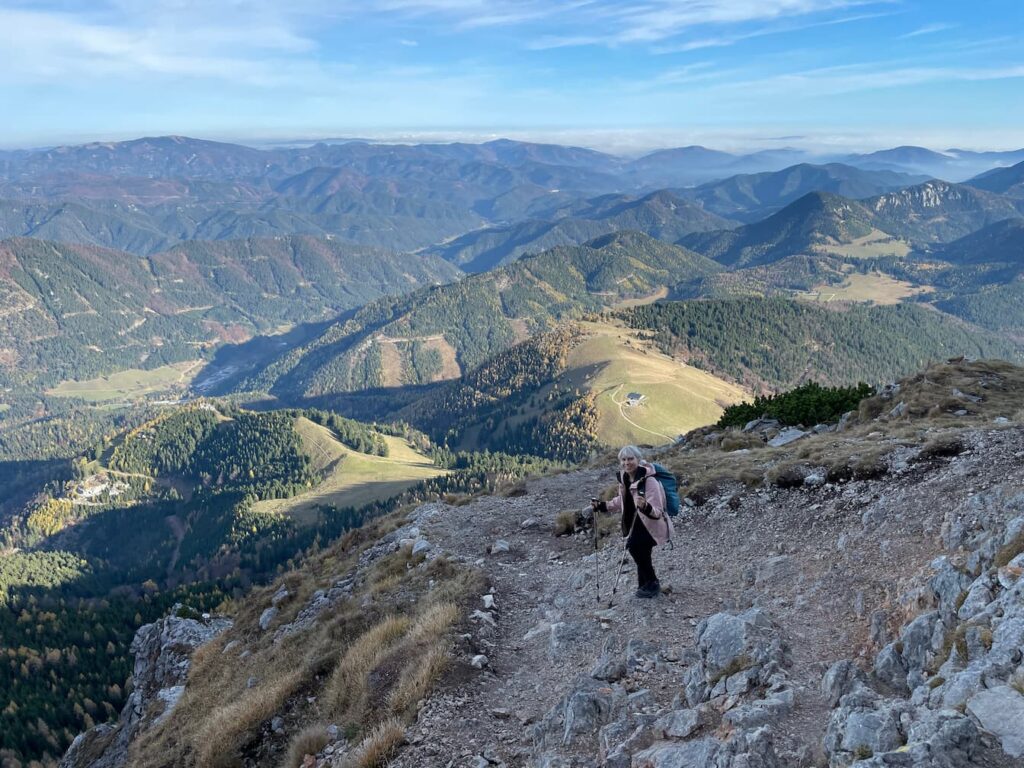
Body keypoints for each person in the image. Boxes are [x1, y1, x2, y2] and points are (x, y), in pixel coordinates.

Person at [592, 445, 670, 598]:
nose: (627, 463)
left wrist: (645, 506)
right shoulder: (625, 479)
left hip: (649, 525)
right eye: (623, 459)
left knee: (634, 548)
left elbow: (658, 511)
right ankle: (644, 586)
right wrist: (602, 506)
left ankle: (653, 583)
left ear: (638, 460)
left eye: (630, 459)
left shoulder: (650, 482)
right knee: (643, 554)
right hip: (633, 524)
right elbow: (622, 501)